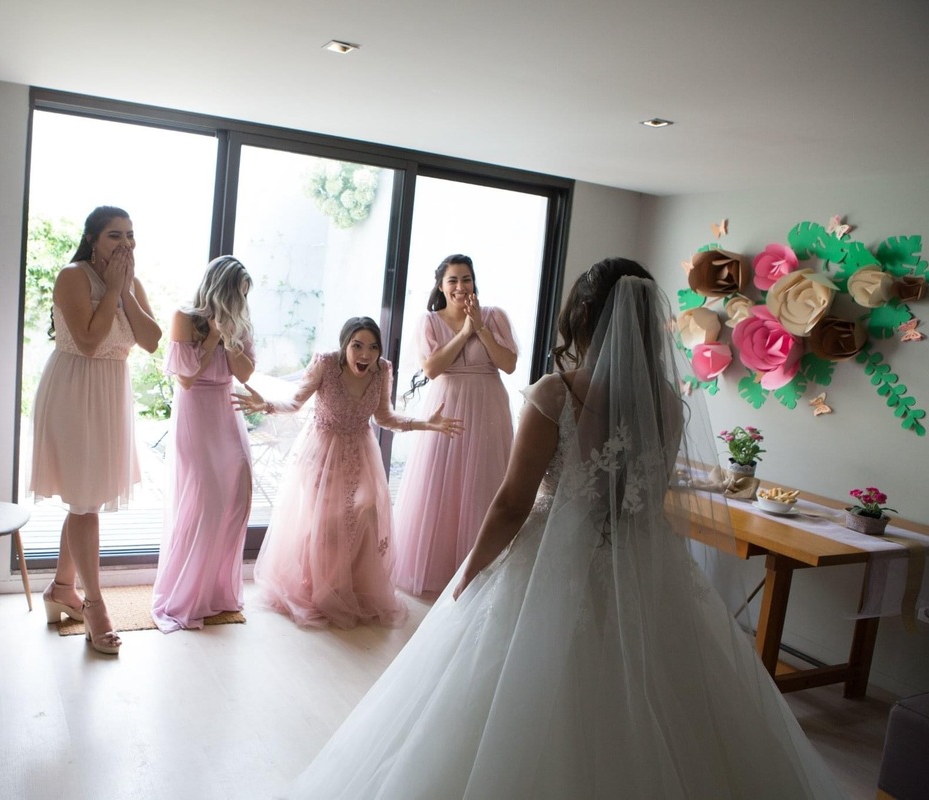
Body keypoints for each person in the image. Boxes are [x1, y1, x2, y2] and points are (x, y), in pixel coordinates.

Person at [287, 259, 848, 799]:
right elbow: (648, 497)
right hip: (642, 561)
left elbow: (512, 502)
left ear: (581, 317)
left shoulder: (557, 393)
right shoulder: (667, 403)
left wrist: (471, 571)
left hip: (552, 560)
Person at [231, 317, 463, 630]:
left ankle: (351, 587)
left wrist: (426, 424)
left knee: (366, 510)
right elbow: (296, 401)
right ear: (345, 345)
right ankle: (320, 589)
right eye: (357, 346)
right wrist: (267, 405)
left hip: (361, 453)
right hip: (322, 453)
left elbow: (384, 417)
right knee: (326, 522)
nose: (365, 354)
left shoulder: (382, 370)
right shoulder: (326, 364)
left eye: (373, 347)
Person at [29, 205, 162, 656]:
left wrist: (125, 292)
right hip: (74, 392)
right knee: (85, 503)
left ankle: (61, 588)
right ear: (92, 240)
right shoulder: (73, 276)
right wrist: (111, 293)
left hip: (109, 396)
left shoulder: (131, 284)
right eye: (114, 236)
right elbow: (87, 342)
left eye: (130, 235)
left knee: (85, 499)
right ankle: (95, 606)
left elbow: (151, 340)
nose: (125, 244)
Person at [390, 254, 518, 595]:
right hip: (447, 409)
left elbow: (508, 365)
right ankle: (440, 571)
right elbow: (432, 369)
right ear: (441, 286)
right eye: (453, 280)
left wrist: (481, 328)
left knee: (483, 482)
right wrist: (463, 332)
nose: (461, 286)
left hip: (489, 408)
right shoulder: (429, 322)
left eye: (466, 279)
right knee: (441, 482)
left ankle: (479, 572)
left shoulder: (494, 316)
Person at [151, 256, 256, 632]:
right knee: (204, 501)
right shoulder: (184, 316)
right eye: (239, 292)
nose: (243, 300)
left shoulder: (241, 322)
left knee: (238, 496)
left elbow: (245, 373)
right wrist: (212, 337)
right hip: (196, 412)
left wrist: (231, 338)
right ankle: (187, 593)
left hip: (227, 410)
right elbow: (186, 378)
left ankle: (217, 590)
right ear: (220, 289)